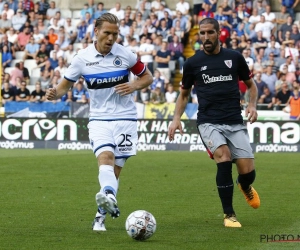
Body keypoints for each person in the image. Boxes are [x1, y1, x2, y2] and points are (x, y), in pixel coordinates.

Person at [45, 13, 153, 232]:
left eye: (115, 34)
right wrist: (54, 93)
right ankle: (110, 195)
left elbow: (147, 77)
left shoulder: (126, 55)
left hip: (125, 119)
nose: (111, 38)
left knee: (115, 171)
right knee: (105, 157)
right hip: (99, 119)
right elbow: (65, 86)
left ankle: (99, 217)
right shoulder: (82, 58)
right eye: (107, 33)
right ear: (96, 32)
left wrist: (133, 86)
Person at [168, 18, 260, 228]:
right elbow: (183, 95)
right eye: (202, 33)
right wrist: (175, 120)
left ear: (219, 34)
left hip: (234, 121)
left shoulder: (234, 58)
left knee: (248, 172)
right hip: (208, 121)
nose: (206, 37)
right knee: (224, 157)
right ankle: (229, 214)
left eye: (210, 33)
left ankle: (244, 185)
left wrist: (252, 105)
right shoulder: (192, 63)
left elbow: (251, 86)